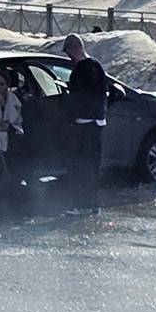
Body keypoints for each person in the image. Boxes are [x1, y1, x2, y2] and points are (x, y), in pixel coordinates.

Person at [62, 33, 110, 213]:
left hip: (83, 124)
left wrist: (70, 118)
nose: (69, 57)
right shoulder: (97, 66)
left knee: (80, 167)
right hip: (98, 124)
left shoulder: (80, 71)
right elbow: (105, 93)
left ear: (73, 49)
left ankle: (80, 205)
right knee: (93, 166)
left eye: (68, 53)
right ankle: (92, 204)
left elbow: (77, 99)